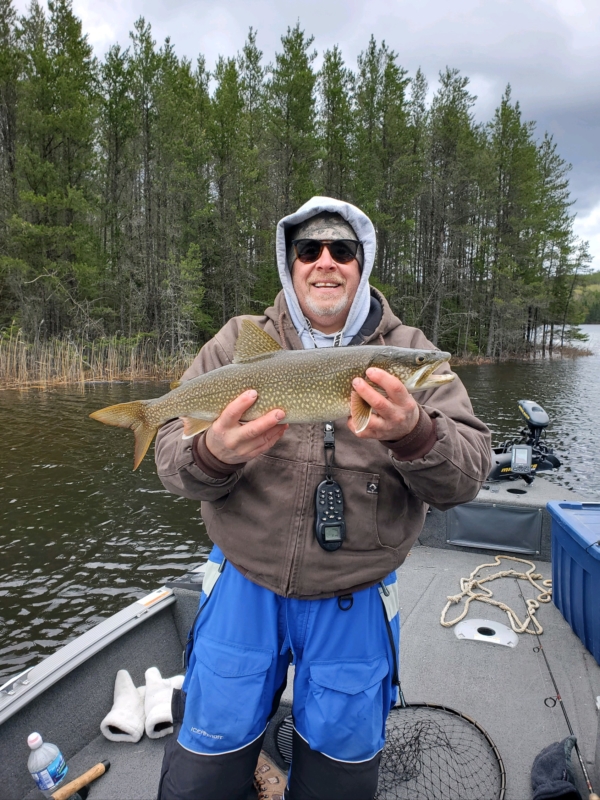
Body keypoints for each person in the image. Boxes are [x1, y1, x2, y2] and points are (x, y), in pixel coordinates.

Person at [155, 196, 492, 800]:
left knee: (340, 772)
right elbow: (169, 461)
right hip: (244, 582)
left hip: (353, 597)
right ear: (291, 265)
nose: (326, 262)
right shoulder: (239, 341)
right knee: (206, 759)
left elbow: (467, 476)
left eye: (343, 250)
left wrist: (415, 432)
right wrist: (213, 453)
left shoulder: (406, 346)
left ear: (362, 264)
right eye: (309, 251)